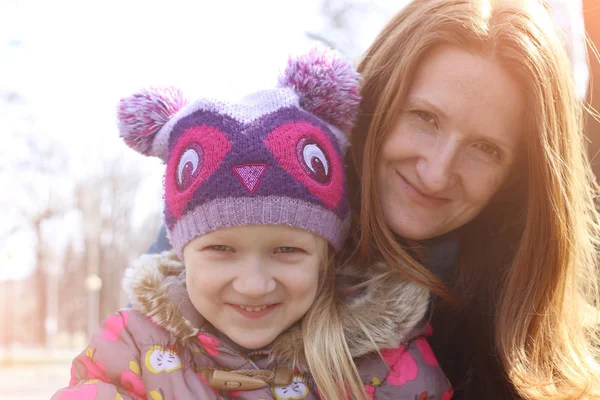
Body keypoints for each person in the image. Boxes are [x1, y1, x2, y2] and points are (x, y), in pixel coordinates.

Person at [51, 48, 451, 400]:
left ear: (325, 255)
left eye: (287, 250)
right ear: (181, 251)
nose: (254, 284)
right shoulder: (135, 351)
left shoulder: (386, 370)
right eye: (221, 249)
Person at [344, 0, 600, 398]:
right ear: (376, 99)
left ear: (516, 181)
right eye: (425, 118)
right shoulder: (237, 252)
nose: (437, 173)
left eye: (485, 148)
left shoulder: (520, 370)